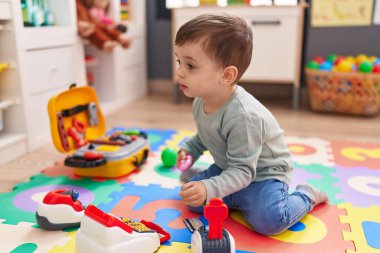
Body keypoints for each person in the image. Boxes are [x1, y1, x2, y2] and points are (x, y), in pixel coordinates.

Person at [175, 14, 328, 236]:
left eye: (190, 65)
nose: (179, 71)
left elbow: (245, 171)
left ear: (227, 75)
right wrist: (191, 149)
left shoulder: (244, 117)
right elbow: (206, 134)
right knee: (193, 202)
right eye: (179, 61)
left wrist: (209, 187)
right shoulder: (201, 100)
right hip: (231, 167)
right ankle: (221, 189)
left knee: (270, 222)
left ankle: (306, 194)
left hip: (262, 176)